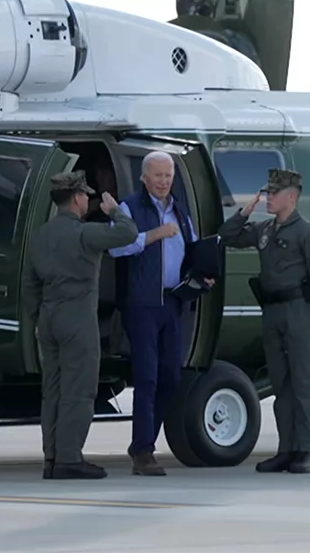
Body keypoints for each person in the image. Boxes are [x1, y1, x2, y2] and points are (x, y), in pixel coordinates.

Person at [21, 170, 138, 480]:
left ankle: (52, 458)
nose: (89, 199)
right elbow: (128, 234)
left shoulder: (41, 235)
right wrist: (115, 211)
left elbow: (29, 283)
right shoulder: (85, 234)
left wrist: (36, 318)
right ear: (76, 198)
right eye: (86, 195)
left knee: (53, 391)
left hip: (48, 318)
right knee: (80, 390)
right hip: (77, 317)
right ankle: (69, 458)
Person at [216, 168, 310, 474]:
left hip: (299, 312)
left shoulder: (307, 234)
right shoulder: (265, 230)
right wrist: (246, 211)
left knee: (304, 384)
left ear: (291, 197)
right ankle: (285, 450)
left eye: (274, 193)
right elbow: (227, 236)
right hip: (272, 313)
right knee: (281, 383)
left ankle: (303, 451)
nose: (269, 198)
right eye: (267, 192)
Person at [108, 151, 215, 476]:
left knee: (171, 376)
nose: (164, 181)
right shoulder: (130, 207)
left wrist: (203, 272)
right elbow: (115, 246)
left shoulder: (179, 210)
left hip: (173, 302)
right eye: (158, 176)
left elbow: (192, 246)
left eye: (168, 176)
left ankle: (143, 442)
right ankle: (144, 450)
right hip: (142, 304)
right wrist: (153, 235)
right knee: (147, 377)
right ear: (144, 177)